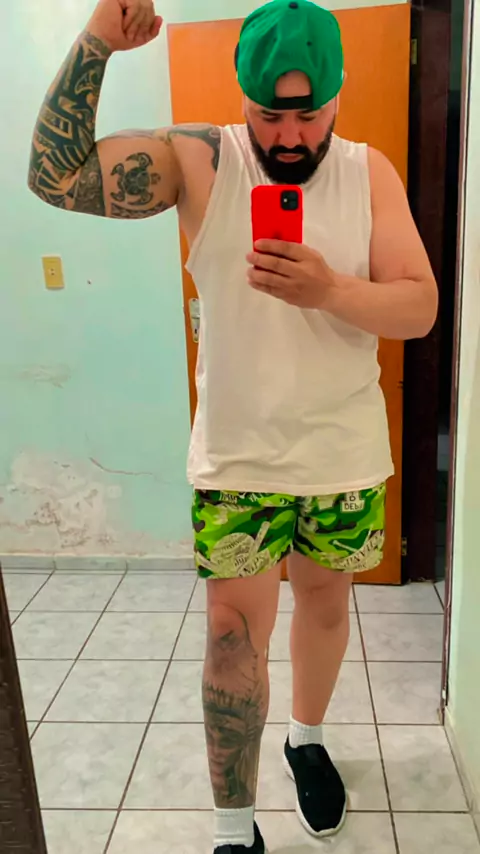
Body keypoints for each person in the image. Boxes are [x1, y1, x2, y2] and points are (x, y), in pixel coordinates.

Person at [28, 0, 438, 851]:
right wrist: (98, 41)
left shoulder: (369, 173)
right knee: (229, 635)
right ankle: (233, 828)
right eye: (267, 115)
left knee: (323, 607)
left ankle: (306, 740)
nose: (288, 137)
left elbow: (420, 306)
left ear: (338, 93)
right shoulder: (199, 160)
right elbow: (54, 177)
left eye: (308, 115)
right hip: (238, 461)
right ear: (241, 97)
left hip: (341, 456)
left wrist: (329, 289)